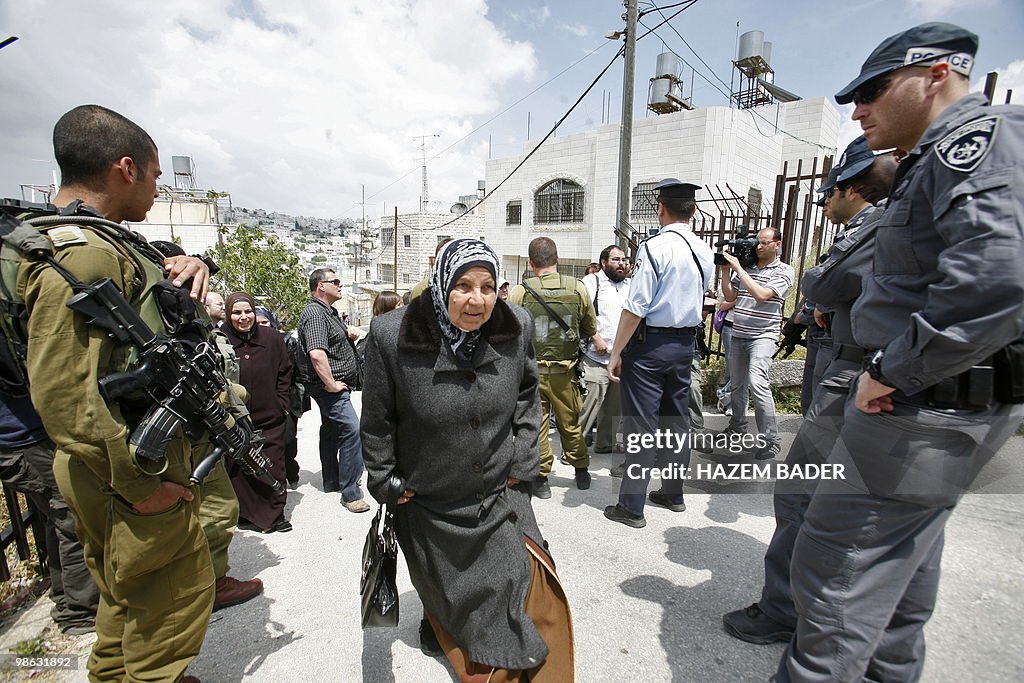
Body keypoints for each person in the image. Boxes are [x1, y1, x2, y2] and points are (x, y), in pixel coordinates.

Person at [772, 23, 1024, 683]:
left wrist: (888, 369)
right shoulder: (930, 160)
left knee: (835, 573)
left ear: (937, 73)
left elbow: (995, 282)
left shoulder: (976, 144)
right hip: (931, 402)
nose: (857, 110)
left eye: (873, 91)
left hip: (917, 403)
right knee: (901, 576)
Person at [21, 105, 216, 681]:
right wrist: (139, 487)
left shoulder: (95, 243)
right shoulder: (84, 253)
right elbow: (65, 393)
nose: (158, 191)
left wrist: (183, 267)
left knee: (124, 602)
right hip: (122, 469)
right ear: (125, 168)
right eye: (156, 177)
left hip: (111, 467)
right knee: (170, 608)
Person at [361, 238, 574, 681]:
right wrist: (385, 480)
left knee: (525, 592)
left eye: (488, 286)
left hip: (499, 489)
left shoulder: (514, 322)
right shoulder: (390, 335)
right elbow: (378, 419)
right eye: (462, 286)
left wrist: (522, 462)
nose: (477, 300)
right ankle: (437, 621)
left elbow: (527, 397)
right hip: (430, 498)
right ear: (441, 285)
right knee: (445, 587)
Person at [722, 139, 896, 646]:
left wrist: (821, 298)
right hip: (850, 364)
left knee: (801, 494)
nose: (823, 203)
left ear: (852, 187)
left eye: (828, 194)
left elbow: (819, 284)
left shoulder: (876, 224)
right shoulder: (899, 218)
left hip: (854, 370)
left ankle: (787, 610)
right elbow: (814, 298)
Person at [604, 179, 714, 528]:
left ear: (660, 209)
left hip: (650, 346)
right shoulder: (705, 250)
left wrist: (616, 352)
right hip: (685, 345)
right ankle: (672, 492)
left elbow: (635, 307)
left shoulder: (654, 248)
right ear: (694, 210)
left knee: (642, 426)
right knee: (675, 422)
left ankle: (632, 507)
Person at [0, 395, 98, 634]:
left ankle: (66, 597)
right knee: (73, 517)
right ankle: (80, 610)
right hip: (22, 441)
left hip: (25, 439)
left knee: (60, 516)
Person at [509, 237, 597, 495]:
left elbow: (508, 330)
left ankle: (542, 479)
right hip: (564, 373)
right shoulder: (578, 288)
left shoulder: (520, 291)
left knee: (538, 426)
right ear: (557, 259)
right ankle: (581, 470)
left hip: (532, 373)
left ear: (531, 262)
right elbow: (589, 328)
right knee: (570, 424)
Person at [720, 226, 795, 460]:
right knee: (737, 385)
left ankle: (770, 439)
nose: (759, 247)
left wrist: (739, 269)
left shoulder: (784, 271)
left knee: (757, 382)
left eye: (764, 243)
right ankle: (737, 427)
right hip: (739, 333)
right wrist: (725, 272)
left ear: (777, 244)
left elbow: (762, 295)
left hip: (763, 336)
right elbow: (731, 297)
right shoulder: (748, 267)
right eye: (758, 243)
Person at [298, 268, 369, 512]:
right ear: (320, 286)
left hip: (334, 385)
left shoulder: (328, 312)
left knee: (330, 428)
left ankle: (332, 480)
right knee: (352, 429)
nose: (340, 285)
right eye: (335, 281)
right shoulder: (316, 314)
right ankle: (350, 492)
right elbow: (316, 354)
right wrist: (331, 384)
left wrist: (346, 334)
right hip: (330, 388)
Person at [224, 292, 293, 533]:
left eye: (248, 311)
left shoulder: (272, 338)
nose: (243, 317)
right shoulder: (220, 340)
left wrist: (281, 403)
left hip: (270, 416)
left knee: (272, 464)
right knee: (240, 467)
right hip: (235, 418)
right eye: (236, 312)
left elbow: (285, 373)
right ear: (228, 314)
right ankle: (246, 514)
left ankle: (275, 515)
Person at [579, 245, 629, 471]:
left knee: (614, 405)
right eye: (616, 259)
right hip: (596, 354)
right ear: (603, 262)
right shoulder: (592, 282)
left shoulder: (630, 285)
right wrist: (595, 338)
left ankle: (604, 444)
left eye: (624, 259)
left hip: (621, 356)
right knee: (590, 401)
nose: (621, 263)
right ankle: (575, 447)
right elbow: (581, 313)